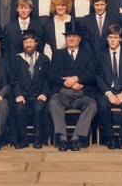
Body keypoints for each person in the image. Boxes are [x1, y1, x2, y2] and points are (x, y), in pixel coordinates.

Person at [47, 21, 97, 151]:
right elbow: (51, 74)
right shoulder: (58, 54)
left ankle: (76, 138)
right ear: (65, 38)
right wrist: (65, 82)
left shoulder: (88, 54)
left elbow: (92, 74)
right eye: (69, 36)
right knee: (53, 102)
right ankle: (63, 139)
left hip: (82, 95)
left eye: (74, 36)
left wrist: (77, 79)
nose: (71, 38)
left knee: (92, 105)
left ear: (79, 38)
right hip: (63, 94)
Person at [11, 30, 50, 149]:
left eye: (31, 41)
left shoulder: (44, 59)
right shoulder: (17, 59)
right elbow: (13, 79)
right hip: (23, 95)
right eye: (26, 42)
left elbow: (47, 80)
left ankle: (38, 139)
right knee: (19, 108)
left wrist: (44, 93)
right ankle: (23, 140)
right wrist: (18, 94)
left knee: (39, 108)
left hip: (38, 94)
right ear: (23, 44)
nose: (28, 44)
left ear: (36, 43)